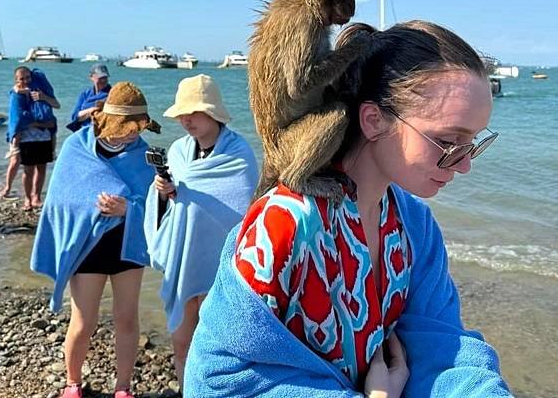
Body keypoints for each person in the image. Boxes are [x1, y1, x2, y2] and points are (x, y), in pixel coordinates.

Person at [184, 21, 514, 398]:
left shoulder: (414, 225)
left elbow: (445, 351)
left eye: (473, 143)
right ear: (374, 120)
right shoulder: (284, 225)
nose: (464, 164)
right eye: (448, 141)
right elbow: (218, 382)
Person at [31, 82, 160, 398]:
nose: (133, 134)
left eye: (138, 127)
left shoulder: (145, 155)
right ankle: (72, 382)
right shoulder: (78, 147)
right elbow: (61, 200)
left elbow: (159, 206)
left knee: (127, 318)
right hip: (87, 246)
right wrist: (96, 207)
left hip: (128, 246)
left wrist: (128, 207)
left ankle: (123, 387)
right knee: (83, 321)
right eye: (128, 127)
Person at [144, 74, 258, 391]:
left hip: (220, 264)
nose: (184, 119)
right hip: (185, 256)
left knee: (218, 348)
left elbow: (242, 212)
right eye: (181, 113)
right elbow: (177, 202)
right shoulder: (179, 150)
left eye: (192, 112)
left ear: (212, 111)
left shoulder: (239, 153)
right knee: (181, 341)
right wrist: (163, 192)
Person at [0, 66, 60, 206]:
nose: (25, 80)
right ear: (16, 79)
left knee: (42, 168)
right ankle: (27, 197)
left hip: (43, 137)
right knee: (28, 169)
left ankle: (36, 197)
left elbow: (56, 105)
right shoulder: (16, 94)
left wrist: (43, 97)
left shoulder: (40, 90)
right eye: (22, 78)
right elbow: (17, 117)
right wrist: (36, 124)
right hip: (26, 138)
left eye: (28, 77)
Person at [66, 63, 112, 132]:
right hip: (83, 130)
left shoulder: (112, 93)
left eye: (105, 77)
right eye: (100, 78)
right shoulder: (85, 94)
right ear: (91, 77)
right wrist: (92, 110)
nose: (103, 80)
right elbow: (75, 117)